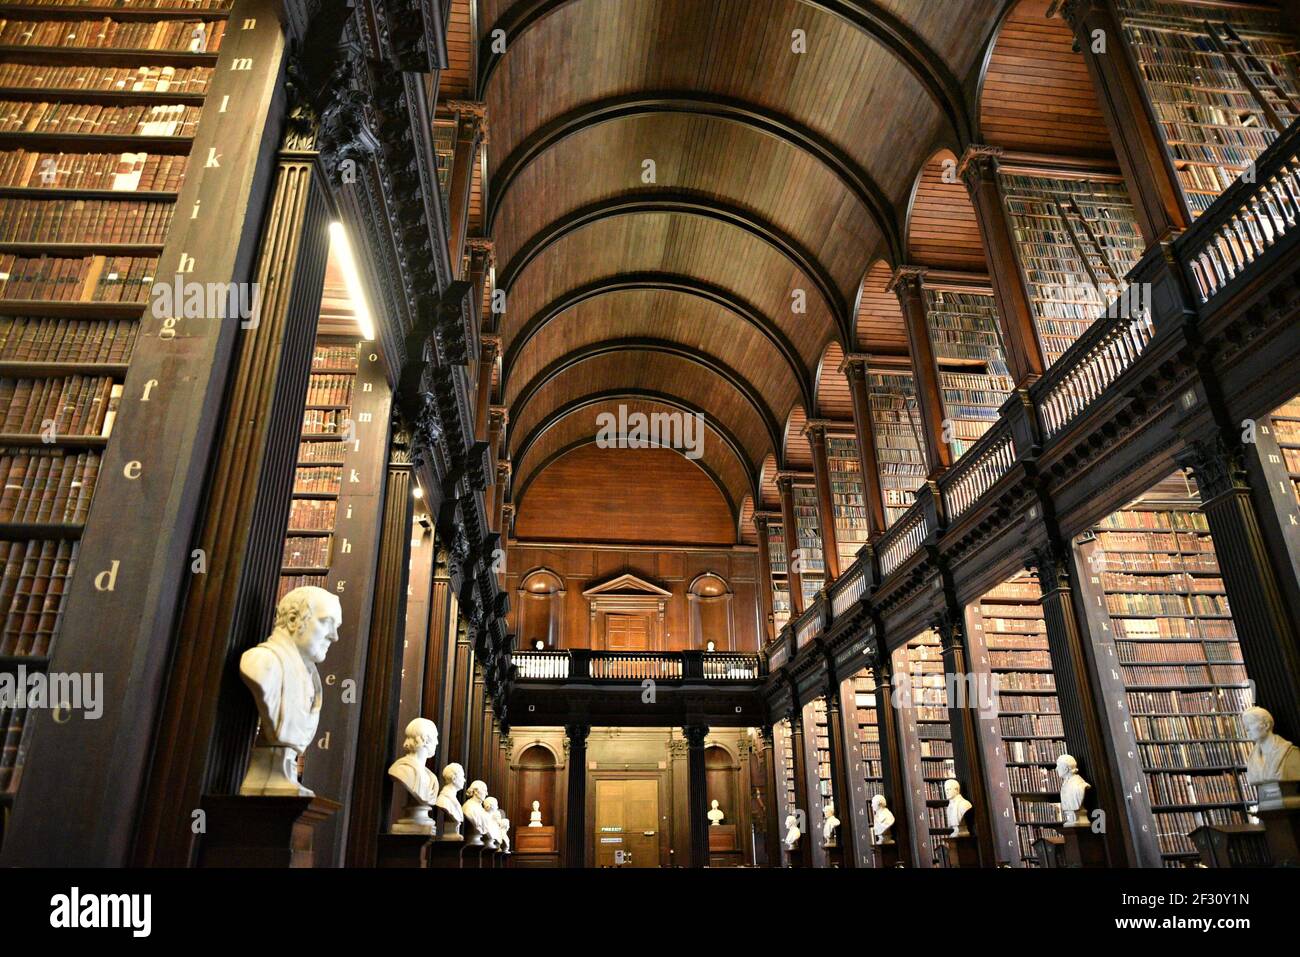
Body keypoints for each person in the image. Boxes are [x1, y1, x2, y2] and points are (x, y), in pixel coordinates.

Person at [238, 586, 341, 795]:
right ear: (293, 619)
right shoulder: (262, 664)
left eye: (336, 627)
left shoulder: (310, 678)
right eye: (326, 623)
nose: (334, 636)